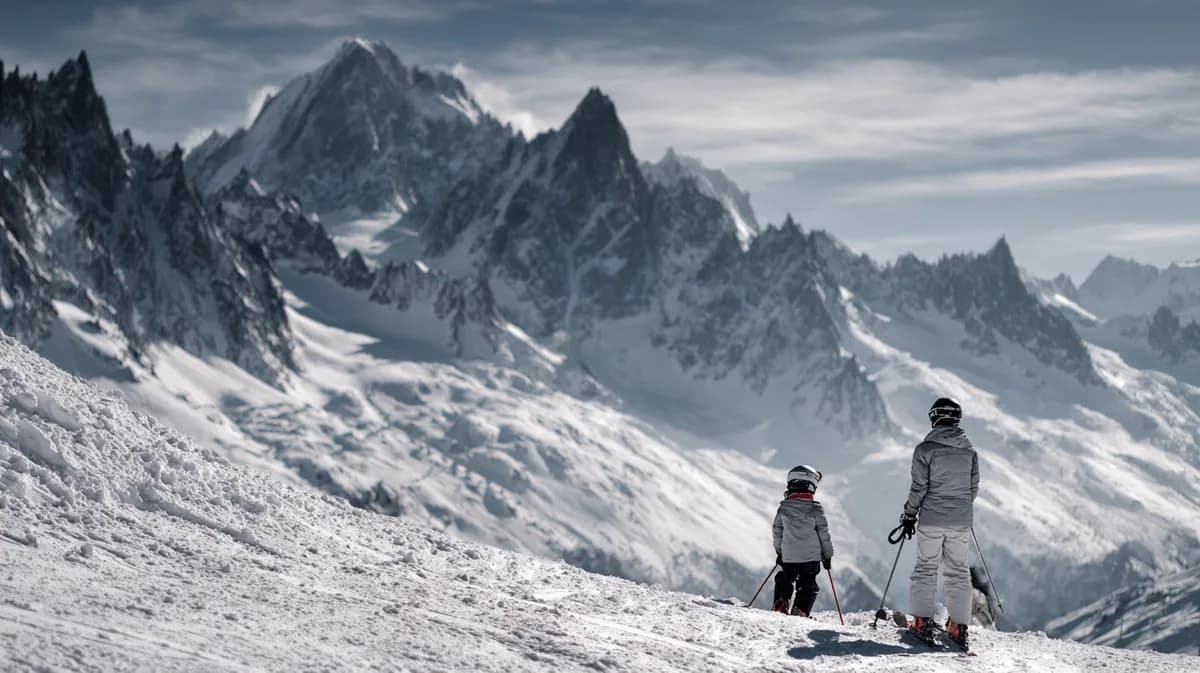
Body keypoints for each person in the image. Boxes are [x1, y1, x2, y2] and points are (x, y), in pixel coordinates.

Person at [900, 396, 980, 651]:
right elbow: (972, 489)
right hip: (961, 520)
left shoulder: (925, 450)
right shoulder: (970, 452)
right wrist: (959, 508)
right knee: (958, 570)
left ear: (935, 417)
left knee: (926, 568)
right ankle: (958, 628)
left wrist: (909, 514)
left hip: (932, 519)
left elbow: (919, 487)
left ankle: (921, 622)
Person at [771, 464, 834, 616]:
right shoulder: (816, 510)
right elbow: (824, 535)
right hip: (811, 558)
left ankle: (781, 601)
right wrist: (827, 555)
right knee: (808, 583)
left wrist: (780, 551)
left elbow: (777, 531)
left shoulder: (783, 509)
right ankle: (801, 609)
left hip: (789, 556)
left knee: (785, 578)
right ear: (811, 485)